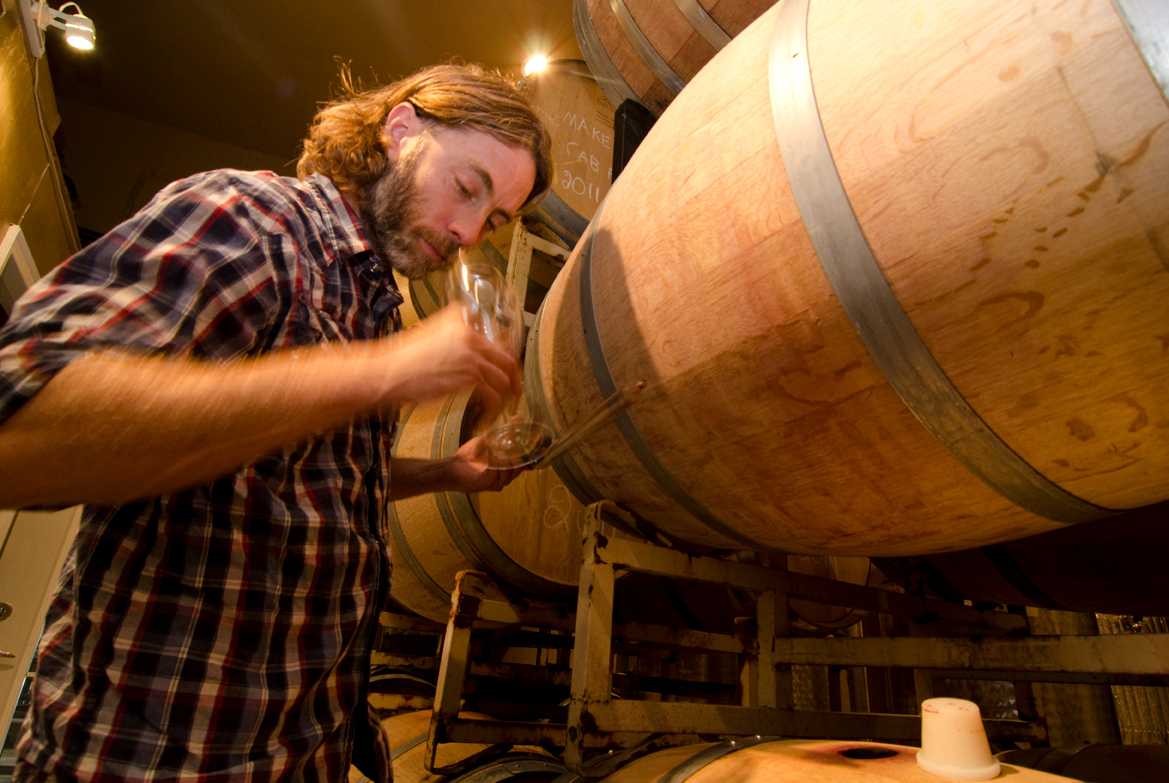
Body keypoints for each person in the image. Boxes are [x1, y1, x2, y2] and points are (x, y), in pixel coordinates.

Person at [0, 62, 553, 782]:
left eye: (494, 220)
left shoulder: (370, 299)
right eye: (467, 187)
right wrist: (383, 371)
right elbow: (22, 432)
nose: (467, 231)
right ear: (400, 129)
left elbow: (298, 476)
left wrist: (445, 471)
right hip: (146, 761)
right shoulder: (252, 219)